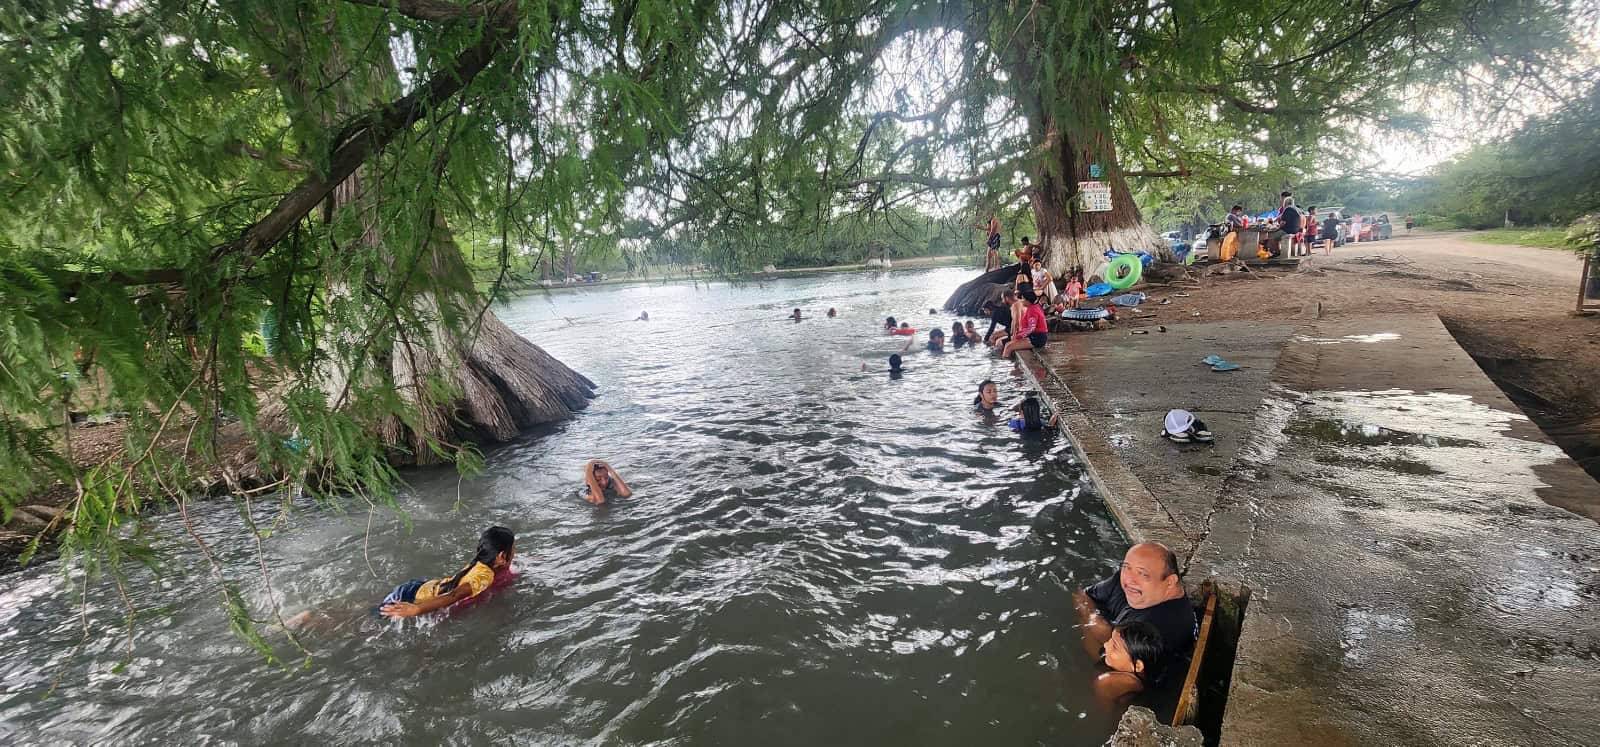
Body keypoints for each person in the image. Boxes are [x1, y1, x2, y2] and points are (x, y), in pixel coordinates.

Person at [1074, 542, 1198, 675]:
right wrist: (1093, 619)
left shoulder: (1157, 632)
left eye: (1143, 574)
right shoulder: (1135, 585)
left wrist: (1092, 624)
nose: (1129, 579)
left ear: (1169, 582)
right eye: (1126, 567)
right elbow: (1082, 596)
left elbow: (1109, 671)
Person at [379, 526, 516, 619]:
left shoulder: (482, 562)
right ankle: (359, 608)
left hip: (425, 586)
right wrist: (416, 609)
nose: (515, 553)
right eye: (513, 549)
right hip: (411, 596)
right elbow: (454, 596)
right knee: (375, 615)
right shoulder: (484, 577)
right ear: (501, 556)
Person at [1094, 621, 1167, 708]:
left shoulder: (1108, 682)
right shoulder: (1150, 672)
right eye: (1111, 640)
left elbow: (1105, 714)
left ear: (1137, 665)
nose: (1106, 645)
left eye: (1114, 647)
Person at [1000, 290, 1048, 359]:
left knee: (1008, 347)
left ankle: (1005, 363)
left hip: (1037, 339)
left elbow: (1031, 328)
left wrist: (1019, 336)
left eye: (1023, 299)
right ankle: (1007, 362)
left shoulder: (1033, 310)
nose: (1021, 300)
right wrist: (1019, 334)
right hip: (1034, 336)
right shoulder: (1033, 307)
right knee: (1007, 344)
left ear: (1028, 301)